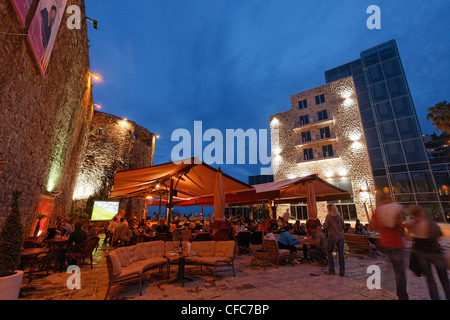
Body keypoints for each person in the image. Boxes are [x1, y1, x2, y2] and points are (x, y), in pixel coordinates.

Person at [404, 205, 450, 300]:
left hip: (421, 253)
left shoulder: (412, 224)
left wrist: (409, 230)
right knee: (443, 278)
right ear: (422, 212)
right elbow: (438, 235)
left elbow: (409, 238)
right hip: (435, 252)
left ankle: (435, 298)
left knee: (430, 279)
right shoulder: (429, 223)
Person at [371, 198, 409, 300]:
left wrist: (379, 236)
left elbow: (373, 227)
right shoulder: (393, 211)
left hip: (384, 243)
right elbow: (400, 226)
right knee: (400, 271)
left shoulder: (377, 212)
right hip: (395, 243)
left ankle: (385, 280)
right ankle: (402, 295)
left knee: (393, 264)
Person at [323, 204, 346, 276]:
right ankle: (342, 271)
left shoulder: (328, 217)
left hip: (333, 235)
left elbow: (326, 227)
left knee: (329, 252)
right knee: (341, 253)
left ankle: (331, 269)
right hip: (341, 236)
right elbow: (343, 226)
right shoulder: (339, 216)